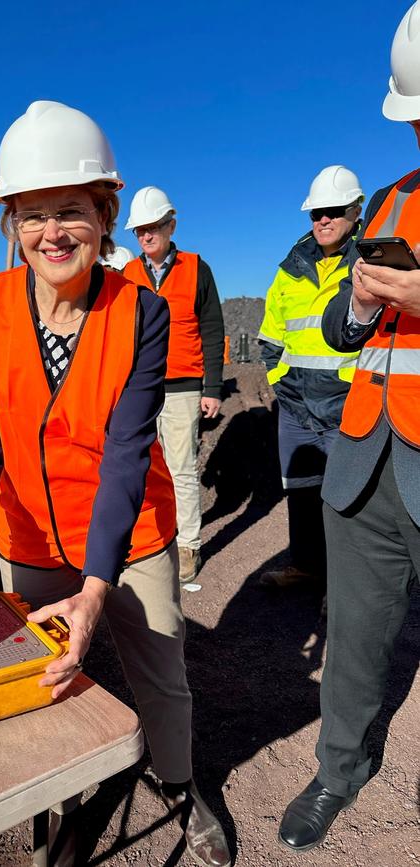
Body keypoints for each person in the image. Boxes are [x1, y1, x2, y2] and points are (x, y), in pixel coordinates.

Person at [0, 101, 231, 867]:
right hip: (30, 532)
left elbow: (126, 452)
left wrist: (100, 583)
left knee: (161, 678)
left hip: (129, 533)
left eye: (70, 210)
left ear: (104, 214)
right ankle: (60, 799)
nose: (52, 232)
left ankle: (179, 784)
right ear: (11, 222)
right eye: (33, 214)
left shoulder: (139, 310)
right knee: (47, 678)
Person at [279, 1, 420, 852]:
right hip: (366, 457)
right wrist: (361, 305)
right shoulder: (395, 202)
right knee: (357, 640)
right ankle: (339, 767)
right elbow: (336, 330)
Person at [257, 167, 363, 589]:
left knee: (347, 502)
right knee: (300, 491)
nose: (323, 220)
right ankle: (306, 566)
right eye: (316, 212)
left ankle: (344, 588)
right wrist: (283, 384)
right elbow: (271, 336)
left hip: (346, 407)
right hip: (296, 408)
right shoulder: (291, 267)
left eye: (334, 211)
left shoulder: (368, 261)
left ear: (356, 211)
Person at [123, 187, 225, 583]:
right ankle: (150, 539)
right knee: (141, 466)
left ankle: (188, 546)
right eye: (139, 231)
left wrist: (212, 388)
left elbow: (213, 328)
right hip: (140, 388)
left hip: (184, 386)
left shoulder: (197, 268)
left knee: (181, 469)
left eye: (153, 228)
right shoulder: (128, 275)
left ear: (171, 225)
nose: (146, 236)